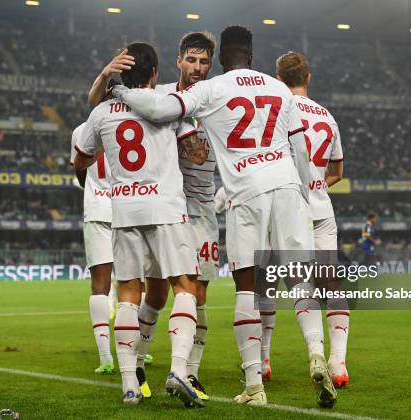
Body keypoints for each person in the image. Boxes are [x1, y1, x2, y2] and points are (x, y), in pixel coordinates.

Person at [111, 26, 335, 408]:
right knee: (299, 280)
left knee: (246, 288)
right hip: (287, 188)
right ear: (249, 54)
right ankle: (316, 352)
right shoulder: (278, 88)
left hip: (244, 193)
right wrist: (306, 195)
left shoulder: (212, 90)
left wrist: (118, 90)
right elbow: (301, 151)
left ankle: (253, 385)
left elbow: (161, 108)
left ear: (221, 58)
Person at [74, 42, 206, 408]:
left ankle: (130, 385)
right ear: (154, 72)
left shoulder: (101, 113)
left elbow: (81, 158)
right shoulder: (165, 104)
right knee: (184, 288)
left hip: (125, 211)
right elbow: (194, 150)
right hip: (166, 207)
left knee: (128, 295)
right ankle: (179, 369)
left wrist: (105, 78)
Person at [264, 51, 349, 388]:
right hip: (322, 209)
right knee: (331, 284)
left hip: (288, 208)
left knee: (271, 283)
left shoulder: (278, 110)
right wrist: (315, 184)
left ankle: (266, 359)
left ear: (278, 78)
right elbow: (338, 172)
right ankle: (339, 364)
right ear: (308, 77)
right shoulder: (327, 116)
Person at [70, 123, 115, 375]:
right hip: (128, 206)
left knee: (100, 284)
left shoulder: (80, 130)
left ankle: (106, 357)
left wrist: (94, 190)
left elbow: (79, 167)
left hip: (97, 209)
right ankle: (138, 349)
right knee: (135, 282)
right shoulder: (130, 121)